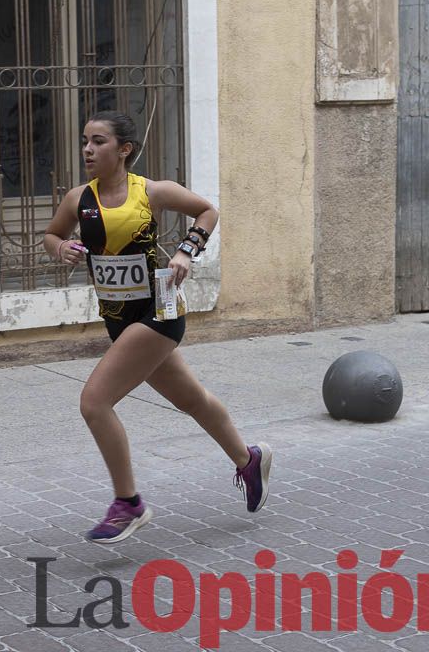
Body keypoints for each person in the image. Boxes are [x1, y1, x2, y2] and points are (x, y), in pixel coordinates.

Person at [43, 110, 271, 543]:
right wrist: (61, 249)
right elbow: (52, 235)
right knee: (193, 399)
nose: (88, 149)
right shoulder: (78, 199)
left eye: (99, 141)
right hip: (118, 318)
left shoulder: (151, 192)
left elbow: (207, 211)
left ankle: (127, 504)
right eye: (85, 141)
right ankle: (248, 459)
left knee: (94, 402)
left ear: (124, 149)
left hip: (159, 311)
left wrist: (186, 251)